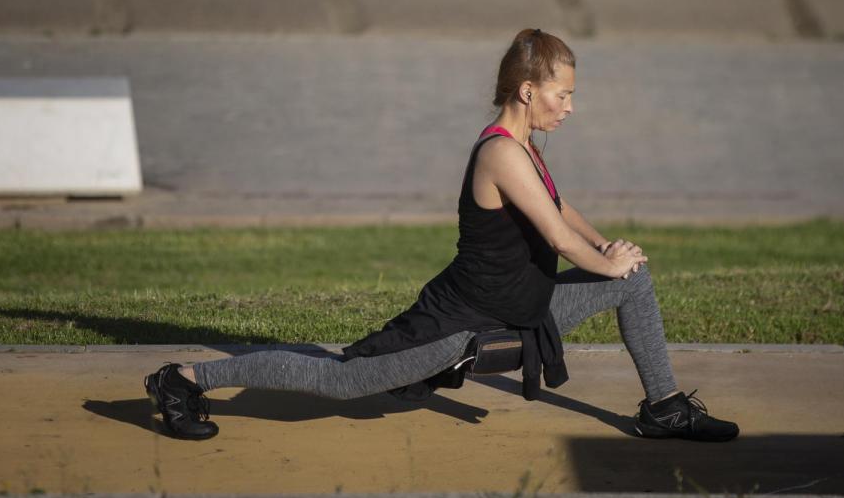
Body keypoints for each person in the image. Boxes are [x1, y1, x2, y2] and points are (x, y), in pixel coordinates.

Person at [144, 28, 739, 443]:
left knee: (634, 280)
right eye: (565, 95)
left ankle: (663, 409)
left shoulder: (527, 147)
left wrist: (609, 250)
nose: (570, 107)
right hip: (461, 318)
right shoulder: (500, 154)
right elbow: (557, 238)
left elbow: (561, 209)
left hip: (522, 304)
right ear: (529, 92)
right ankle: (185, 381)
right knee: (344, 380)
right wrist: (599, 262)